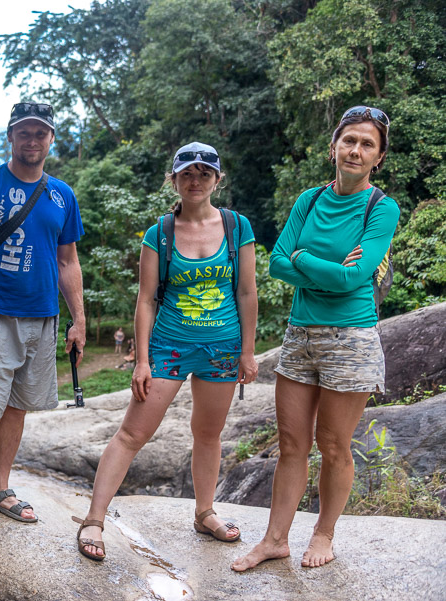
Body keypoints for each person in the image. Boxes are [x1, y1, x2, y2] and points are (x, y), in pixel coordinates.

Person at [73, 142, 258, 562]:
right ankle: (94, 520)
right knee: (132, 434)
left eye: (204, 174)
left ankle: (204, 512)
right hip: (169, 346)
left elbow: (247, 292)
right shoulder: (158, 233)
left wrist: (248, 351)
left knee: (208, 435)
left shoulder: (236, 226)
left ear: (217, 179)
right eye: (187, 174)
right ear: (173, 180)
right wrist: (141, 359)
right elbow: (146, 299)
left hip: (223, 348)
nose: (195, 181)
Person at [233, 106, 399, 571]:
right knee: (291, 444)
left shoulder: (380, 208)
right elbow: (277, 263)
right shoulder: (308, 200)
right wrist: (321, 266)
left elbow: (355, 279)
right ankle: (275, 539)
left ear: (378, 157)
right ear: (333, 148)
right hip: (300, 334)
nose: (356, 150)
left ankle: (324, 534)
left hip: (351, 339)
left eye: (367, 144)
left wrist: (304, 259)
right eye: (349, 140)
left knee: (332, 444)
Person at [0, 102, 86, 559]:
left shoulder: (61, 195)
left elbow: (68, 261)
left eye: (40, 134)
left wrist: (78, 319)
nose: (32, 141)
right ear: (10, 136)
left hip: (43, 319)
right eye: (24, 133)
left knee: (17, 409)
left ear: (52, 139)